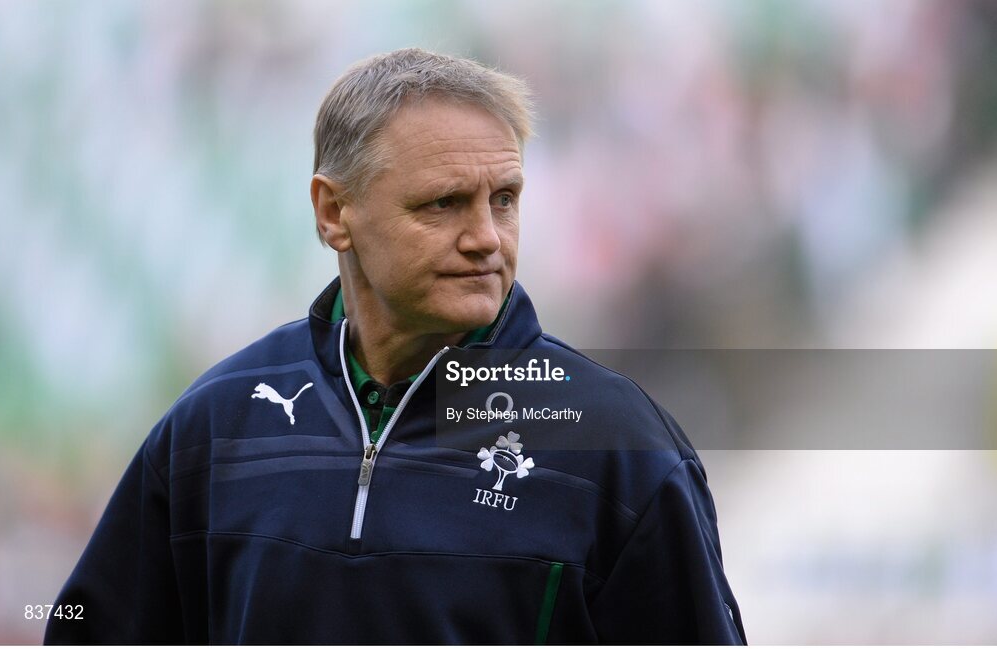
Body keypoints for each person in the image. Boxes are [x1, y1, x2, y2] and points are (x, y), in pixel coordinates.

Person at [45, 48, 746, 644]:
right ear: (333, 212)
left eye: (503, 198)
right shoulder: (216, 425)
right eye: (442, 203)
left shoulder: (618, 446)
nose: (486, 237)